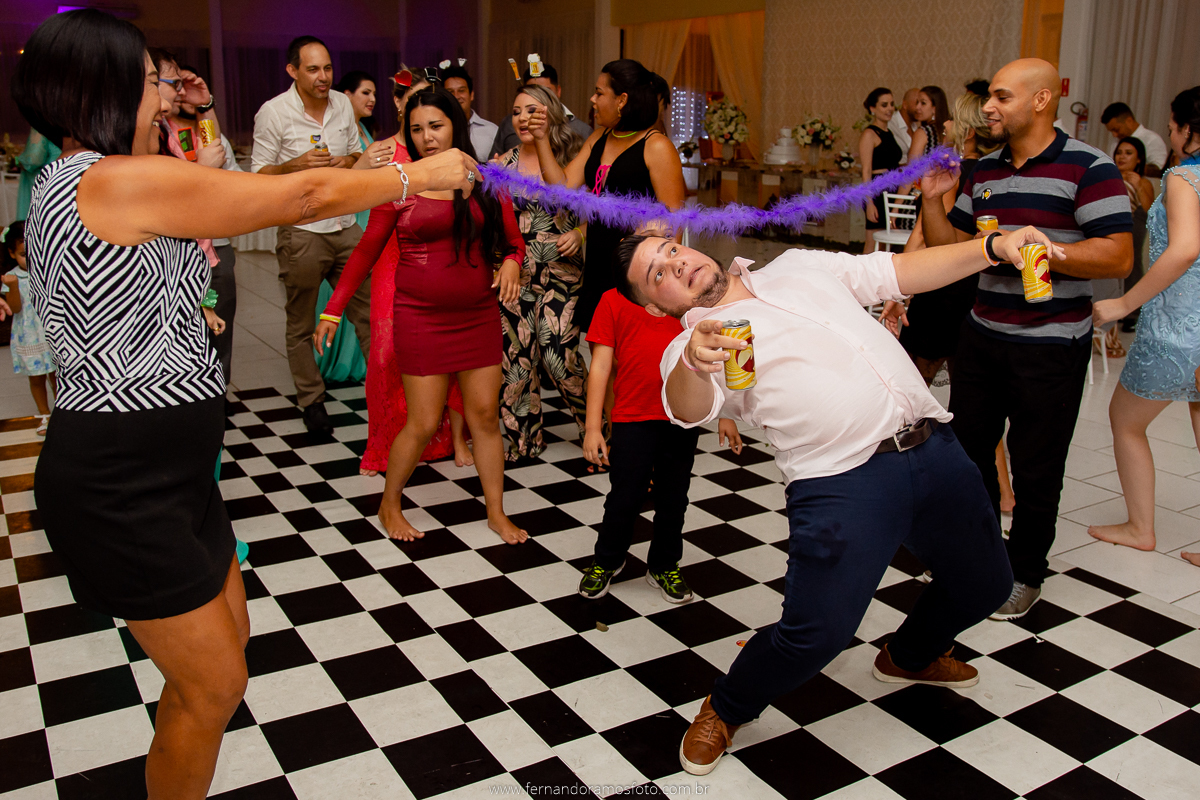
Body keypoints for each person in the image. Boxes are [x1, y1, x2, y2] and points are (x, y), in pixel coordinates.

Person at [13, 10, 479, 799]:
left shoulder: (107, 175)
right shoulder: (104, 179)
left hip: (175, 469)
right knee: (214, 685)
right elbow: (296, 194)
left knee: (227, 651)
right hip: (121, 480)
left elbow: (223, 193)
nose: (163, 91)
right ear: (105, 85)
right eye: (152, 78)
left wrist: (189, 116)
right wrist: (415, 175)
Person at [612, 222, 1066, 775]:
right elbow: (685, 408)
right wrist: (692, 360)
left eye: (670, 250)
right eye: (657, 274)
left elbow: (897, 271)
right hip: (840, 482)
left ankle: (909, 656)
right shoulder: (688, 346)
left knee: (989, 584)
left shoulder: (796, 266)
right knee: (816, 634)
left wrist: (994, 247)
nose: (676, 265)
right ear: (655, 306)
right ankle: (726, 707)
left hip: (932, 446)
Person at [919, 58, 1133, 619]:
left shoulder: (1090, 167)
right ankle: (983, 556)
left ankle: (1027, 571)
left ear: (1040, 100)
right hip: (983, 334)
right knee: (968, 455)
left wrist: (1041, 249)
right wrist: (934, 198)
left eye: (1001, 97)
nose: (988, 107)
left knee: (1037, 466)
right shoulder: (984, 171)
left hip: (1052, 343)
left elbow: (1118, 253)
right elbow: (954, 251)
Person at [314, 88, 529, 545]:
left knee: (486, 417)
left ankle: (496, 512)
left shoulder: (487, 179)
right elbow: (366, 250)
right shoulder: (400, 182)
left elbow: (513, 242)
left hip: (477, 314)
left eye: (436, 125)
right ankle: (389, 503)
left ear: (455, 124)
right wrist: (333, 311)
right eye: (416, 129)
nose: (427, 137)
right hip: (420, 315)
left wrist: (512, 261)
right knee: (424, 420)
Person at [1089, 86, 1200, 569]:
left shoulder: (1183, 176)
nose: (1171, 134)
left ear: (1189, 130)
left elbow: (1183, 249)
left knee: (1125, 421)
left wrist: (1123, 304)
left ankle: (1140, 528)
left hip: (1178, 324)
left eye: (1174, 126)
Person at [580, 285, 742, 602]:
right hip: (631, 415)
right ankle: (607, 560)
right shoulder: (613, 299)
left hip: (681, 414)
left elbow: (715, 354)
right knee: (624, 495)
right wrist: (591, 427)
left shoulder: (692, 297)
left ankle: (664, 565)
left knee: (673, 497)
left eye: (669, 236)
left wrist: (727, 413)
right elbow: (600, 365)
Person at [251, 35, 367, 436]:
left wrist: (344, 161)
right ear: (293, 71)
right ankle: (312, 400)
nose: (323, 77)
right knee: (300, 322)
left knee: (368, 314)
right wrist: (296, 165)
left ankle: (385, 392)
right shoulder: (274, 112)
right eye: (314, 69)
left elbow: (356, 154)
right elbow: (260, 175)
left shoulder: (341, 105)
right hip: (301, 232)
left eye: (328, 68)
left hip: (346, 224)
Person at [529, 59, 686, 330]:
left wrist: (659, 282)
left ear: (622, 100)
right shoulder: (599, 137)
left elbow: (674, 222)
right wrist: (542, 139)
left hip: (636, 271)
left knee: (627, 356)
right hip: (599, 263)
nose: (592, 99)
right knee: (603, 350)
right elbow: (561, 189)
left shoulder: (656, 145)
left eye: (600, 93)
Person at [497, 85, 589, 460]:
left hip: (562, 271)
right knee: (517, 360)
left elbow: (591, 212)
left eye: (532, 110)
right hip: (516, 273)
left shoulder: (574, 157)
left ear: (551, 114)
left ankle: (596, 429)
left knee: (558, 354)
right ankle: (524, 442)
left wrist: (581, 233)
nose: (523, 118)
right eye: (517, 111)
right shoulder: (502, 164)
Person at [150, 48, 243, 389]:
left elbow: (217, 160)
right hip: (177, 255)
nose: (180, 92)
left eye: (183, 85)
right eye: (175, 83)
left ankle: (217, 398)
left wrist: (205, 106)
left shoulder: (200, 133)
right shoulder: (159, 131)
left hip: (213, 254)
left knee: (219, 324)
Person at [0, 222, 55, 435]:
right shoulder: (12, 277)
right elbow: (14, 308)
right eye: (24, 254)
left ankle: (62, 414)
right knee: (37, 378)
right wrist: (12, 286)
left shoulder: (48, 270)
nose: (30, 258)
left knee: (57, 376)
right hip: (30, 336)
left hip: (53, 333)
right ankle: (45, 414)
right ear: (12, 253)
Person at [488, 61, 592, 158]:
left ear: (558, 91)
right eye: (516, 112)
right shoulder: (508, 127)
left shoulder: (581, 131)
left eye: (546, 92)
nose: (522, 118)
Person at [1113, 136, 1155, 335]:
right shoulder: (1109, 176)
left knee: (1133, 263)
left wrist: (1137, 185)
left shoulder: (1143, 181)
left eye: (1128, 153)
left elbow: (1149, 209)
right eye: (1119, 152)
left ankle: (1133, 312)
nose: (1122, 157)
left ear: (1139, 159)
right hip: (1113, 223)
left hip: (1135, 222)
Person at [857, 87, 902, 252]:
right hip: (876, 192)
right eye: (884, 105)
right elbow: (866, 171)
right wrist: (869, 202)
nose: (890, 108)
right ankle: (860, 276)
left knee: (884, 243)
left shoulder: (888, 132)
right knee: (873, 241)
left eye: (891, 104)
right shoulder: (869, 134)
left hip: (891, 190)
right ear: (872, 108)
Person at [337, 70, 379, 231]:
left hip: (369, 204)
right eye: (366, 93)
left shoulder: (362, 127)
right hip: (352, 209)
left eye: (374, 94)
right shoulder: (339, 131)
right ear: (347, 95)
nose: (373, 99)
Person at [443, 63, 497, 162]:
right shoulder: (437, 132)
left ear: (471, 95)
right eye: (450, 92)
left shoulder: (492, 131)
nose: (456, 96)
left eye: (461, 91)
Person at [1102, 101, 1168, 176]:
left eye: (1116, 130)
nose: (1114, 135)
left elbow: (1159, 170)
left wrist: (1132, 167)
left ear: (1129, 121)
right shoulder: (1116, 142)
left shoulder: (1152, 139)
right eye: (1111, 131)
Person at [15, 129, 61, 221]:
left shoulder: (42, 122)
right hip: (64, 176)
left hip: (44, 180)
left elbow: (33, 159)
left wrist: (19, 161)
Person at [907, 85, 950, 163]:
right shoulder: (950, 129)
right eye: (917, 102)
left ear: (934, 108)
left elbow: (912, 168)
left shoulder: (922, 133)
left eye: (923, 103)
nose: (917, 107)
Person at [889, 87, 919, 162]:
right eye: (917, 103)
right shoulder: (890, 123)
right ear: (905, 105)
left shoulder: (915, 126)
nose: (920, 107)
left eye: (923, 103)